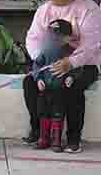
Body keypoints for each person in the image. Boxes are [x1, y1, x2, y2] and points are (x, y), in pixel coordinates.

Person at [24, 0, 101, 153]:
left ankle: (74, 138)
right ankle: (38, 131)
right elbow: (33, 38)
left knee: (71, 87)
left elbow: (90, 45)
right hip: (49, 61)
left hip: (83, 63)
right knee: (30, 83)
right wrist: (42, 60)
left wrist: (70, 63)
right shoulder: (44, 10)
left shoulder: (89, 9)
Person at [32, 19, 84, 152]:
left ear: (67, 37)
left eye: (58, 35)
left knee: (58, 114)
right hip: (45, 89)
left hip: (60, 89)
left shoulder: (71, 52)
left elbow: (78, 67)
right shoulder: (45, 51)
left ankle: (56, 141)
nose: (54, 38)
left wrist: (71, 77)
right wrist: (39, 79)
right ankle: (44, 139)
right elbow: (37, 66)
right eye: (52, 35)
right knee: (43, 113)